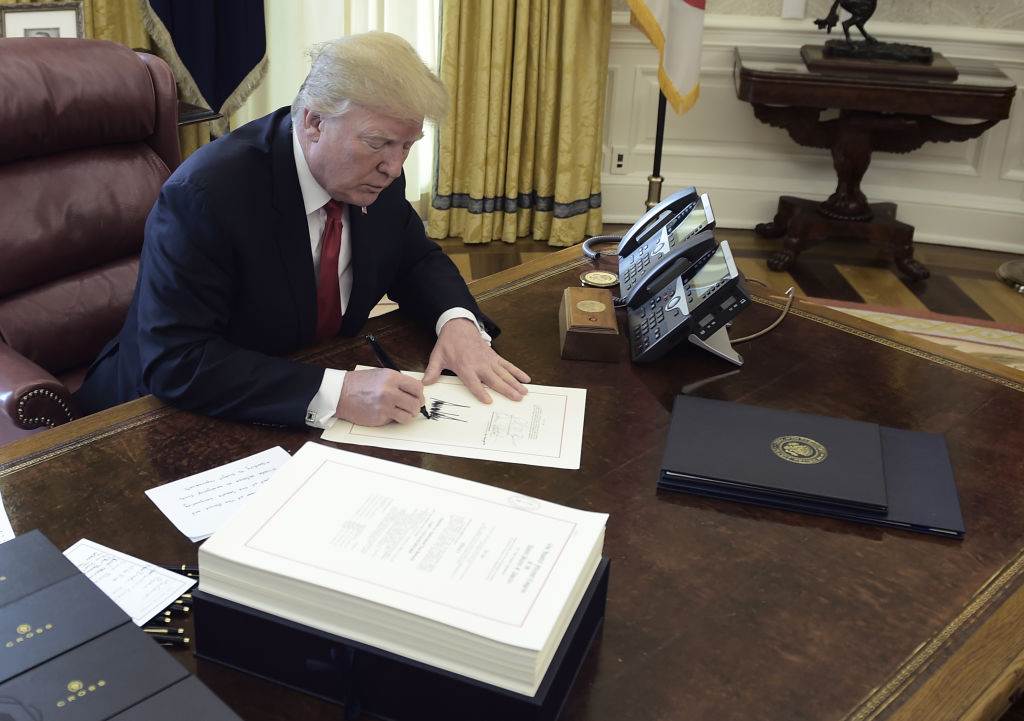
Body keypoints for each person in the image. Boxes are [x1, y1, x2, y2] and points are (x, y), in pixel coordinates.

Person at [74, 32, 530, 429]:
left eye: (407, 145)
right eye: (378, 143)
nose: (394, 166)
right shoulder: (206, 197)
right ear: (313, 122)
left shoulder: (375, 173)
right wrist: (336, 393)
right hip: (152, 416)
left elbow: (413, 258)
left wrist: (458, 323)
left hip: (297, 374)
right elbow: (177, 360)